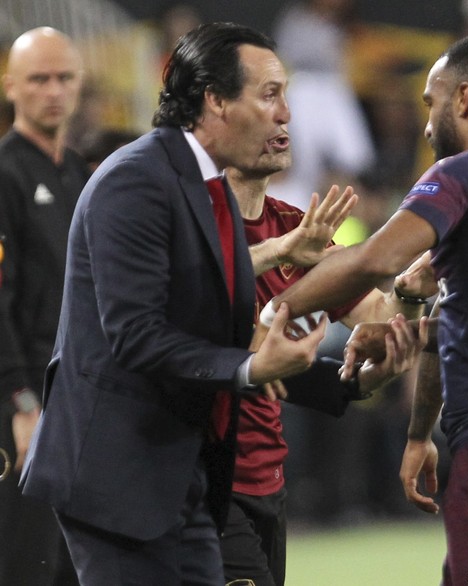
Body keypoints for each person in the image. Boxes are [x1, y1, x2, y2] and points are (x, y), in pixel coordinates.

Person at [262, 33, 468, 585]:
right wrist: (421, 432)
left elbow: (376, 260)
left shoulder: (464, 174)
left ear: (463, 98)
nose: (426, 123)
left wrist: (271, 308)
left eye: (431, 102)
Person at [19, 22, 331, 584]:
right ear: (214, 99)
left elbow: (229, 341)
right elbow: (137, 335)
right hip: (117, 484)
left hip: (180, 479)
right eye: (269, 94)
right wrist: (251, 366)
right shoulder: (135, 181)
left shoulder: (203, 189)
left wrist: (346, 380)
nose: (285, 112)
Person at [220, 155, 428, 585]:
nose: (281, 114)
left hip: (267, 474)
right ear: (216, 108)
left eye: (280, 94)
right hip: (203, 474)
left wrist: (407, 293)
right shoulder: (187, 220)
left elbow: (380, 316)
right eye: (265, 96)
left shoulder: (296, 226)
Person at [0, 26, 86, 586]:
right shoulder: (4, 173)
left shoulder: (80, 173)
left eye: (64, 78)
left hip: (77, 398)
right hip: (22, 402)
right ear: (11, 86)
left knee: (72, 564)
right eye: (38, 78)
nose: (52, 90)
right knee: (23, 559)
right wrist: (22, 399)